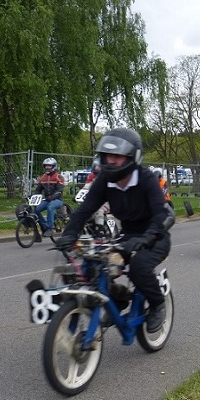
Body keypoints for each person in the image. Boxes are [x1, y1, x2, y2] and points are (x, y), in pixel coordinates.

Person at [55, 127, 172, 333]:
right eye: (107, 155)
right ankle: (118, 299)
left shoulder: (146, 179)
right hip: (127, 235)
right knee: (95, 266)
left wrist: (147, 238)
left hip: (155, 236)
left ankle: (157, 305)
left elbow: (161, 215)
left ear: (133, 157)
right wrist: (69, 234)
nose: (111, 160)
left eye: (117, 156)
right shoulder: (105, 180)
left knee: (138, 268)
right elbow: (84, 210)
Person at [34, 157, 66, 236]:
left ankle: (50, 228)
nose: (47, 167)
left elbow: (60, 190)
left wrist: (53, 196)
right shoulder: (43, 177)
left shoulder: (59, 177)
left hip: (57, 200)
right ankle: (44, 225)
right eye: (46, 166)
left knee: (50, 207)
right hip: (47, 199)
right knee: (36, 209)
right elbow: (38, 190)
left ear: (54, 166)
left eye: (49, 166)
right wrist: (33, 196)